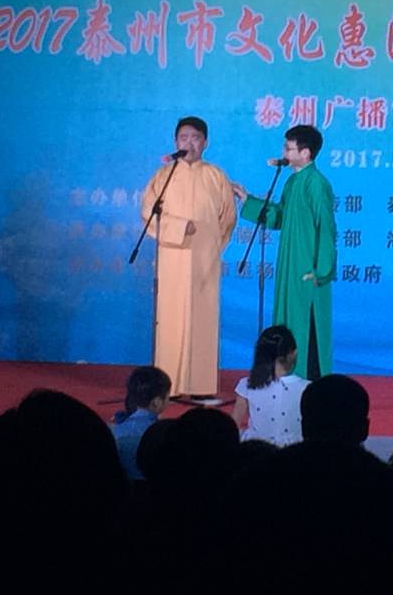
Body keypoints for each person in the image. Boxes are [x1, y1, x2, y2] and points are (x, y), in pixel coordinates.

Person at [140, 116, 236, 403]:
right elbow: (149, 214)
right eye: (184, 137)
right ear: (175, 142)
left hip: (204, 262)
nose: (189, 143)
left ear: (205, 142)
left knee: (202, 321)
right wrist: (180, 229)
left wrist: (210, 247)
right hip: (172, 259)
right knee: (170, 320)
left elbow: (227, 219)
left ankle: (200, 386)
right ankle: (166, 385)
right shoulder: (163, 175)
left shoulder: (216, 176)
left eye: (195, 138)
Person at [234, 124, 335, 379]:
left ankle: (309, 381)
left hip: (308, 268)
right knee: (288, 322)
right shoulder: (292, 181)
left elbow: (326, 229)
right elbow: (280, 217)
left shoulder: (317, 184)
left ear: (306, 153)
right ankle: (286, 377)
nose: (284, 153)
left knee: (306, 323)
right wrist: (247, 200)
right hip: (289, 264)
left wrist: (321, 271)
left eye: (289, 148)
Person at [231, 325, 307, 446]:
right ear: (293, 354)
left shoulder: (247, 385)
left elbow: (232, 427)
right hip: (293, 451)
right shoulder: (306, 388)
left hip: (255, 449)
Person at [110, 365, 171, 480]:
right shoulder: (163, 436)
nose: (169, 401)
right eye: (168, 397)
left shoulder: (112, 431)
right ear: (157, 402)